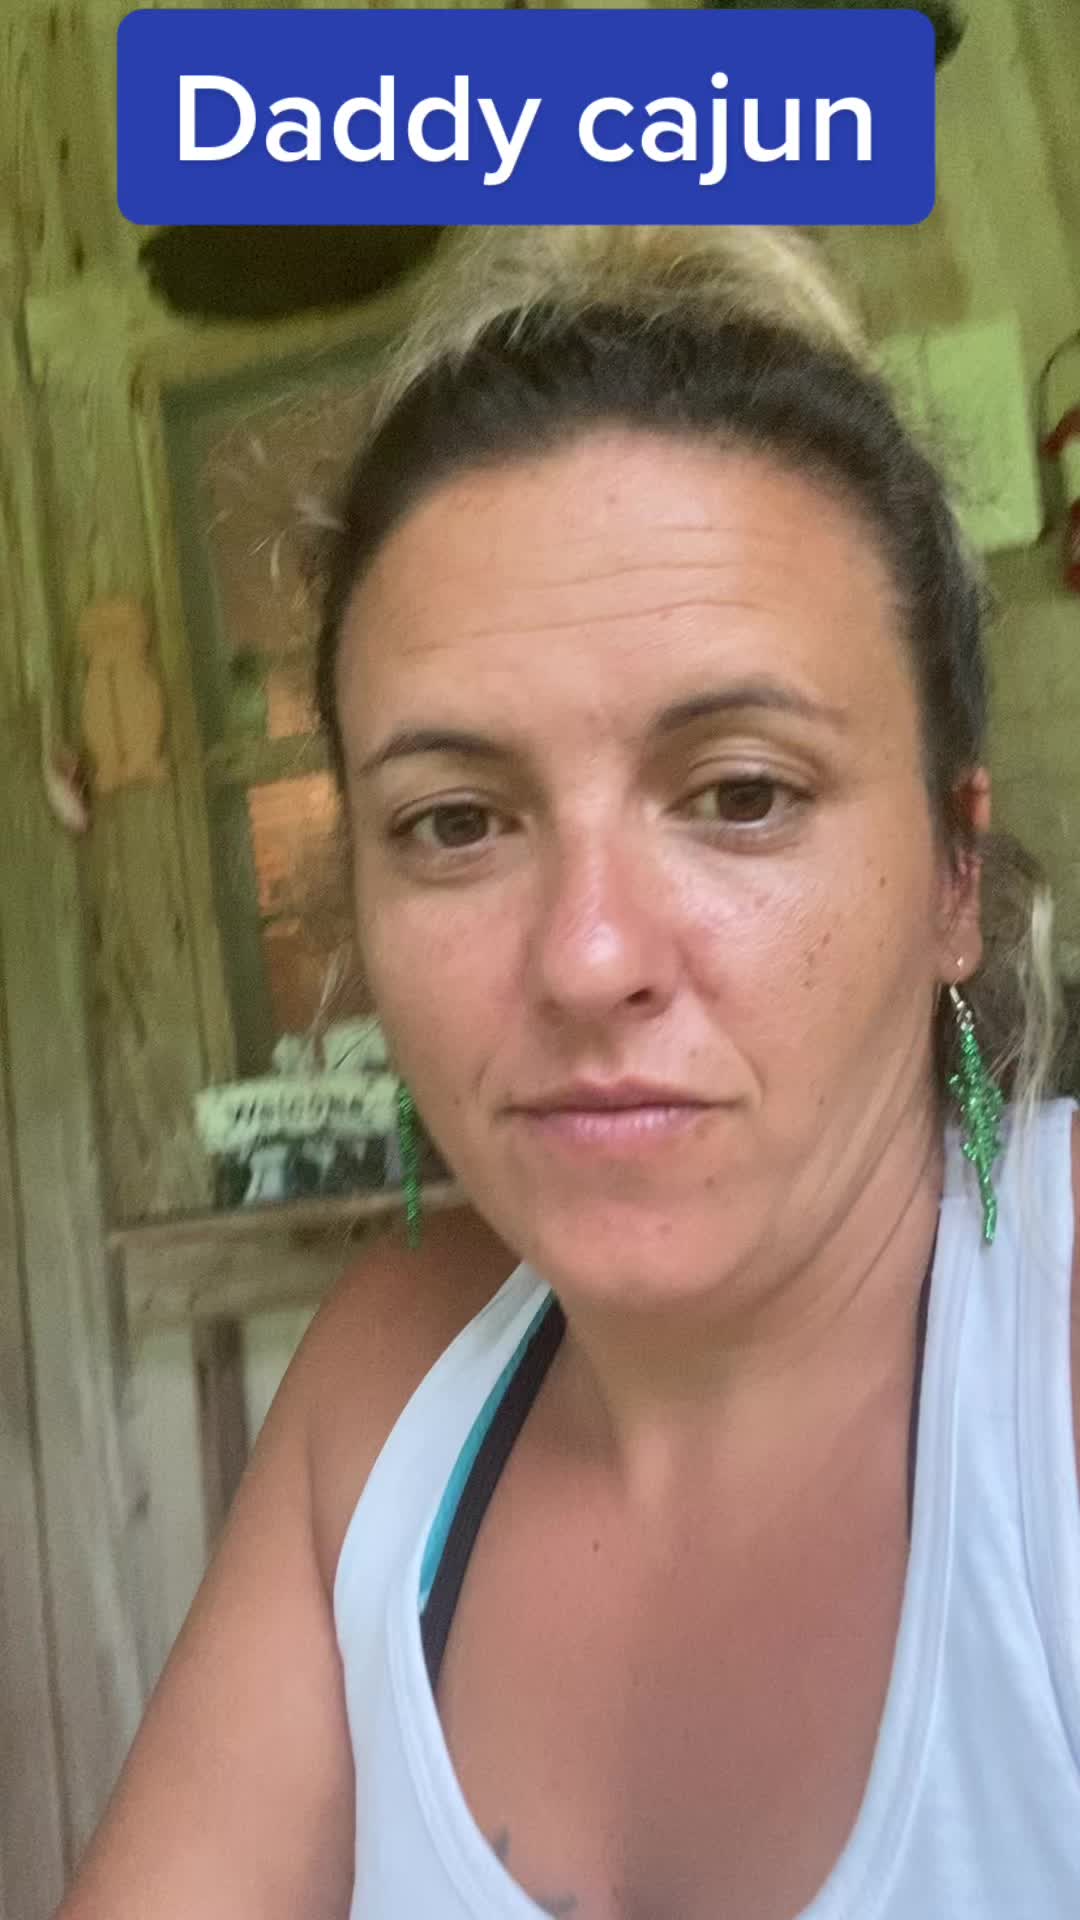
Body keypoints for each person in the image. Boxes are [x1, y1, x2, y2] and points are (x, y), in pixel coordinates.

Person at [56, 226, 1080, 1920]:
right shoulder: (386, 1394)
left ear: (954, 876)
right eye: (456, 822)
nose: (588, 956)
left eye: (741, 793)